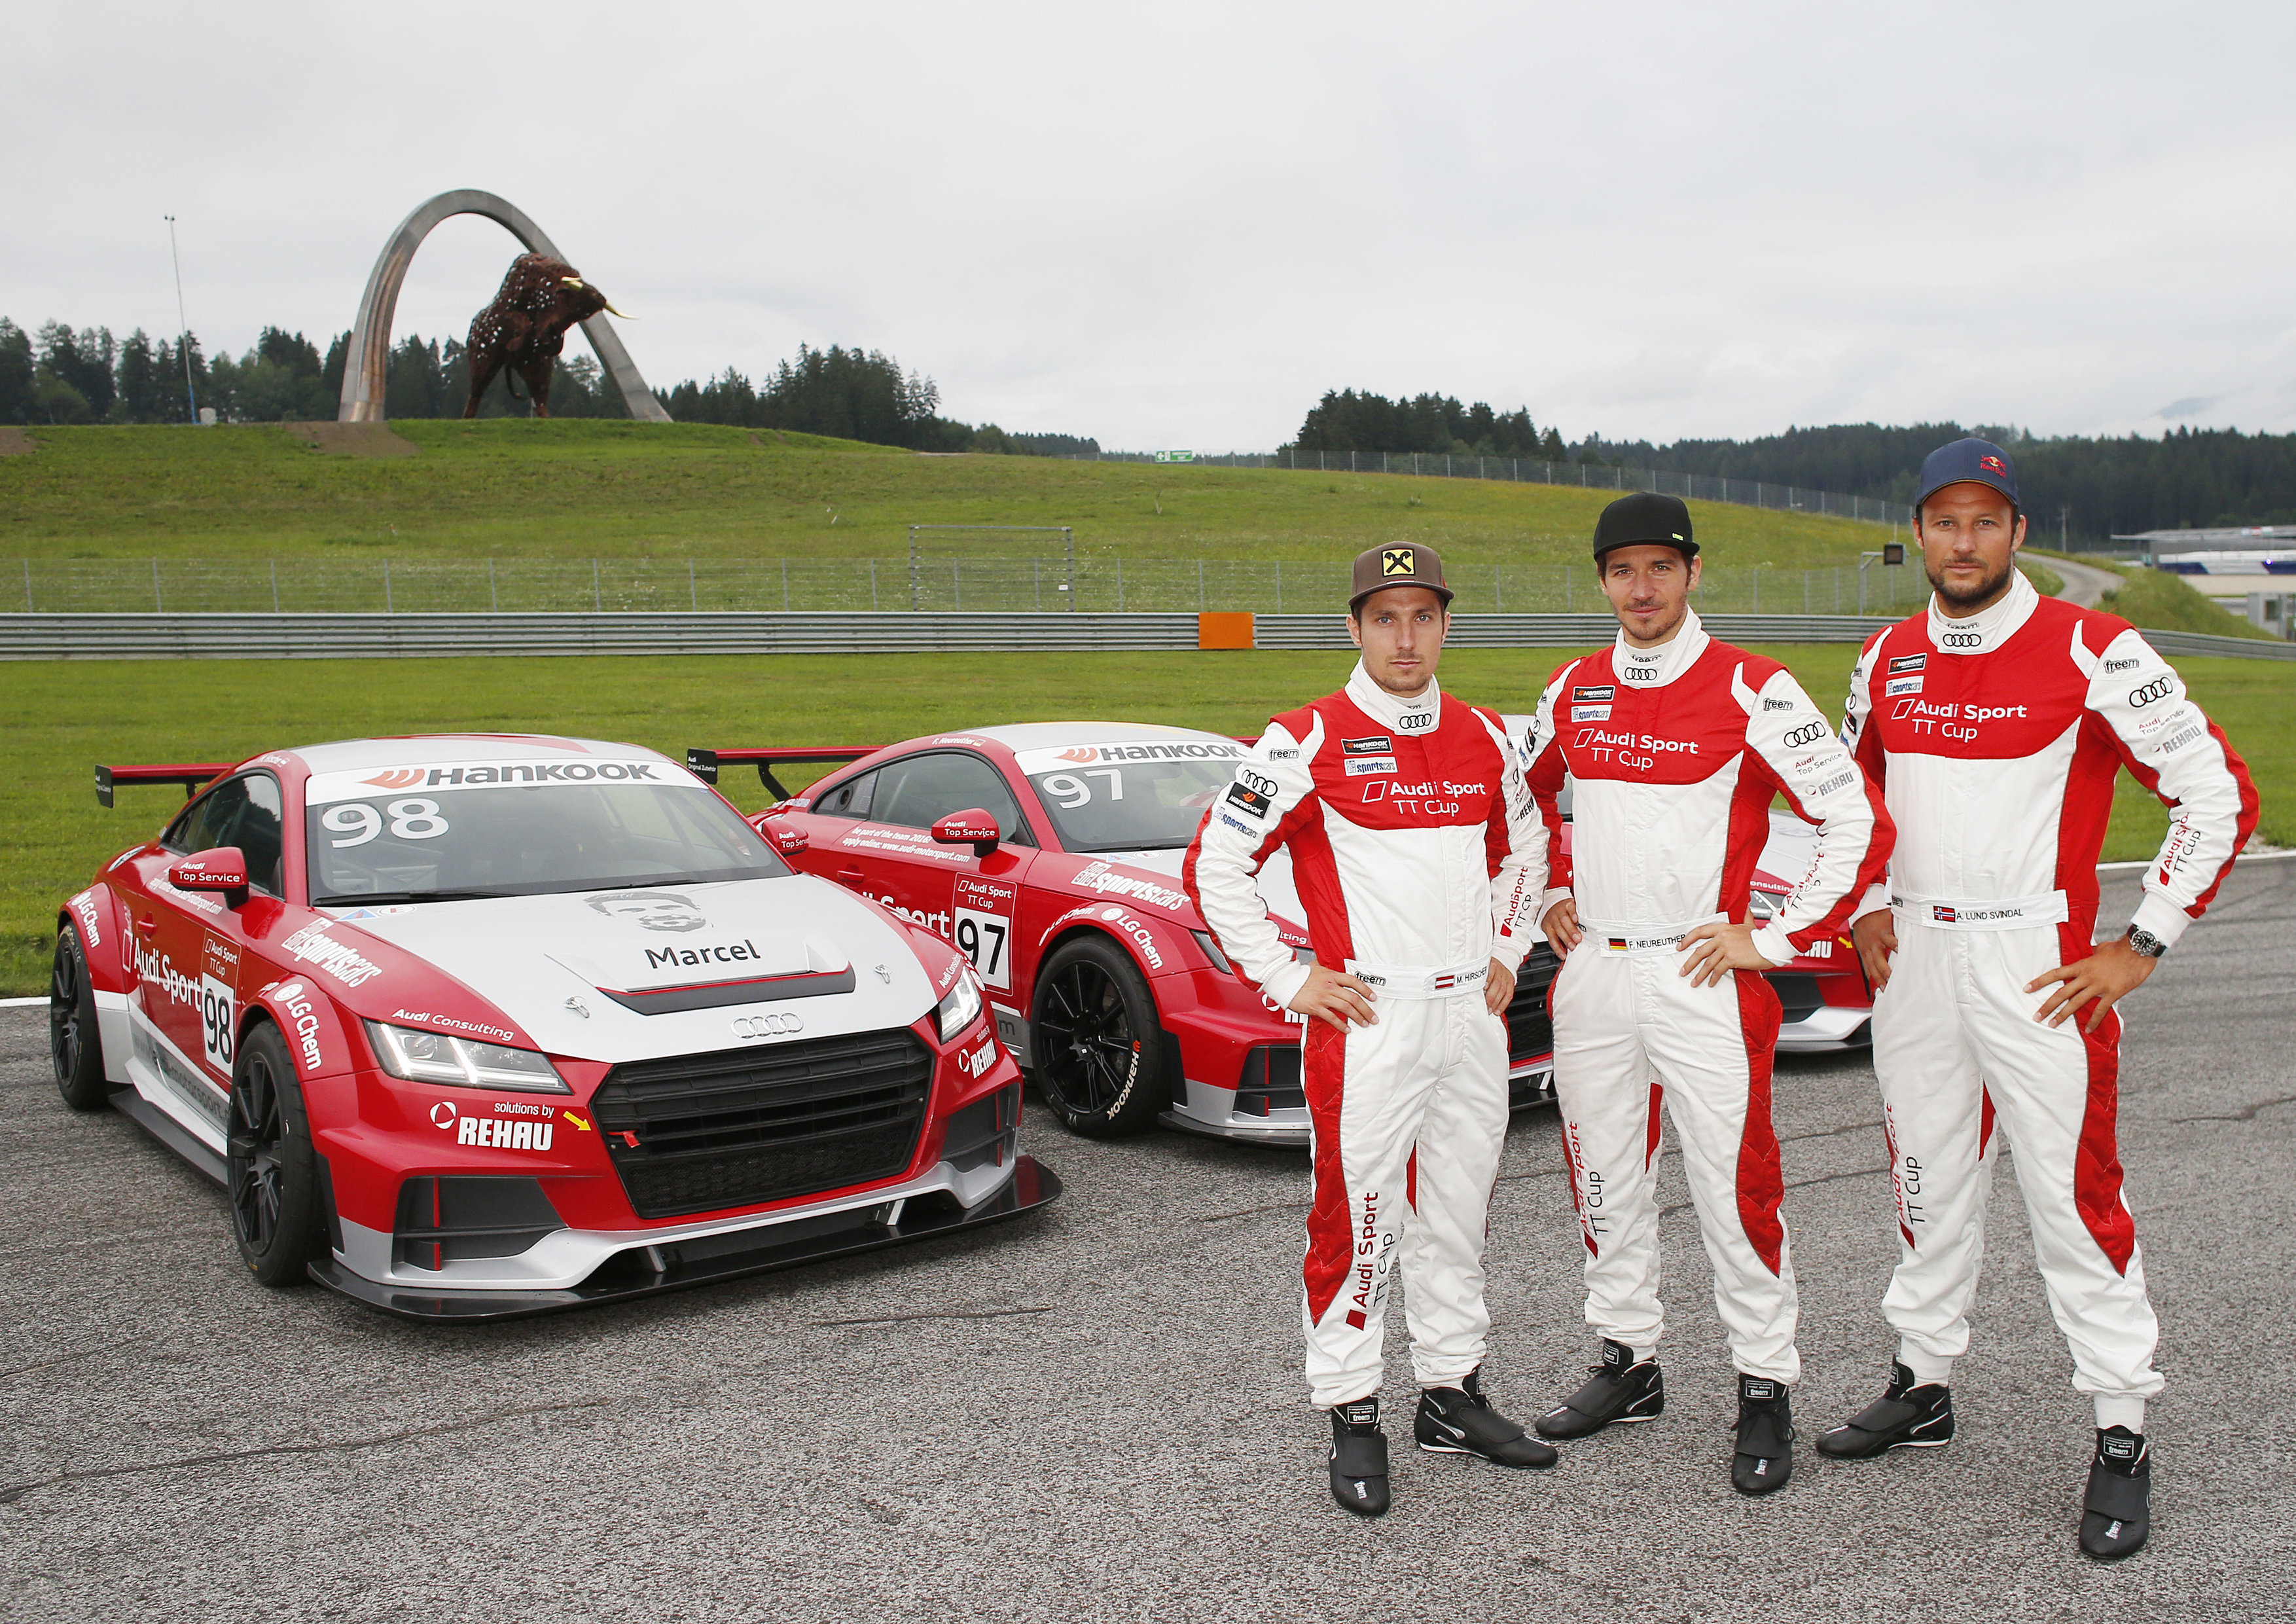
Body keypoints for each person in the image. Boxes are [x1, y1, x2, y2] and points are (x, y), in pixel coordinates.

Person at [1822, 438, 2257, 1559]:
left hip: (2039, 967)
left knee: (2074, 1201)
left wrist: (2142, 941)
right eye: (1943, 520)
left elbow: (2218, 796)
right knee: (1924, 1177)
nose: (1962, 541)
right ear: (1916, 532)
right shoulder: (1885, 657)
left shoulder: (2097, 647)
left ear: (2020, 532)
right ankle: (1924, 1382)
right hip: (1915, 957)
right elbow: (1851, 795)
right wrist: (1866, 897)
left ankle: (2121, 1432)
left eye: (1986, 521)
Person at [1519, 492, 1892, 1496]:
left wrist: (1771, 936)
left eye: (1660, 568)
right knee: (1604, 1175)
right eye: (1622, 570)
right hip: (1596, 969)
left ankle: (1765, 1386)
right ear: (1600, 580)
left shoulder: (1754, 686)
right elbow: (1516, 802)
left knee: (1738, 1189)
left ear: (1693, 573)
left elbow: (1853, 816)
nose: (1641, 589)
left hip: (1704, 974)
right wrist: (1550, 887)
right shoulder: (1572, 687)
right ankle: (1628, 1362)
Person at [1183, 543, 1554, 1517]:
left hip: (1470, 1017)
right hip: (1370, 1018)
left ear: (1444, 624)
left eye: (1422, 615)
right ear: (1354, 627)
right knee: (1353, 1220)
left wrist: (1511, 950)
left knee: (1459, 1210)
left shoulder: (1482, 733)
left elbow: (1528, 849)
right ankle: (1351, 1406)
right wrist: (1288, 975)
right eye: (1384, 617)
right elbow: (1216, 866)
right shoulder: (1302, 738)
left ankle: (1450, 1390)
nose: (1404, 635)